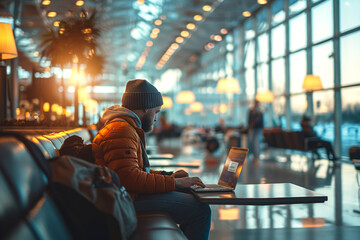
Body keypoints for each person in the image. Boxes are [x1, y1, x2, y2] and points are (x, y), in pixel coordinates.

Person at [92, 79, 211, 240]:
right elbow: (128, 178)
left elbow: (134, 171)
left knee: (189, 194)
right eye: (156, 112)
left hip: (126, 194)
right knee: (200, 210)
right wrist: (173, 183)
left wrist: (169, 177)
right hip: (125, 199)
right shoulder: (121, 131)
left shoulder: (124, 127)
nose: (156, 119)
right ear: (145, 107)